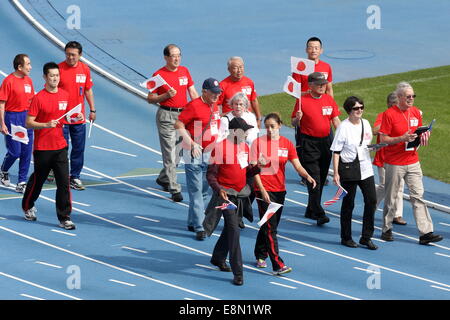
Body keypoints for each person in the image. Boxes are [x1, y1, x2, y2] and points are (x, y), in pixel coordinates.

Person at [251, 113, 316, 273]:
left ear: (280, 125)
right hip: (263, 190)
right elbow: (253, 170)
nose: (269, 129)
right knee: (270, 228)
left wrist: (307, 176)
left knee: (270, 226)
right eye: (267, 127)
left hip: (280, 190)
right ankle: (278, 264)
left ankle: (260, 254)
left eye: (272, 126)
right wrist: (262, 190)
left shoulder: (287, 144)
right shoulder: (257, 143)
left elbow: (297, 165)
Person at [379, 82, 443, 245]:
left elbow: (417, 131)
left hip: (413, 160)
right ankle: (386, 228)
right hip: (394, 162)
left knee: (418, 196)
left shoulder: (415, 112)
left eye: (413, 96)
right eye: (408, 96)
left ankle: (426, 232)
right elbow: (383, 139)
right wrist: (402, 138)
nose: (411, 99)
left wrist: (422, 135)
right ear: (399, 97)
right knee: (391, 197)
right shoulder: (389, 114)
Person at [22, 62, 80, 230]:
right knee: (38, 181)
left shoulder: (65, 95)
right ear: (45, 77)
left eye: (57, 75)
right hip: (42, 149)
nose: (55, 78)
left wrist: (74, 118)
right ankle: (27, 205)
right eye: (52, 76)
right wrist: (46, 124)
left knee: (64, 183)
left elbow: (66, 118)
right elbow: (28, 123)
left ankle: (65, 217)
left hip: (60, 146)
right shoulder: (38, 98)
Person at [203, 117, 261, 286]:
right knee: (234, 230)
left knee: (230, 228)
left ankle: (218, 258)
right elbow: (211, 175)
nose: (247, 133)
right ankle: (239, 273)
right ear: (235, 131)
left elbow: (247, 172)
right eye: (245, 130)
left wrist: (258, 166)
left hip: (239, 195)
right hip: (225, 196)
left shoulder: (244, 147)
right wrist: (218, 189)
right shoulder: (220, 148)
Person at [147, 44, 198, 202]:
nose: (177, 58)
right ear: (166, 57)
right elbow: (150, 98)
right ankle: (174, 188)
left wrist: (199, 108)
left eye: (179, 55)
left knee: (177, 155)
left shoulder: (185, 71)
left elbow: (192, 91)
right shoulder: (158, 75)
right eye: (173, 56)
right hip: (166, 116)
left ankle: (164, 178)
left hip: (183, 117)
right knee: (169, 153)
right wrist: (165, 96)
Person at [174, 78, 221, 240]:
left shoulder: (214, 106)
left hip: (210, 153)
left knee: (205, 190)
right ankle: (200, 226)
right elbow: (178, 125)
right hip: (193, 153)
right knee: (195, 190)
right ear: (204, 91)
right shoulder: (193, 106)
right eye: (213, 93)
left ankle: (192, 220)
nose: (216, 95)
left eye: (218, 93)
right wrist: (192, 143)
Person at [291, 72, 340, 225]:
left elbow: (335, 120)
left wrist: (343, 136)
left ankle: (310, 209)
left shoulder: (329, 99)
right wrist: (297, 119)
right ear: (310, 85)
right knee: (314, 179)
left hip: (326, 143)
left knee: (322, 176)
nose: (322, 86)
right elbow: (293, 123)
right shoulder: (301, 101)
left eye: (324, 83)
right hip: (309, 144)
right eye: (319, 84)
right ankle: (319, 213)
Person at [331, 96, 378, 250]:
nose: (359, 111)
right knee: (348, 203)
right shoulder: (343, 127)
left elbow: (367, 144)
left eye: (361, 107)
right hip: (349, 168)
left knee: (371, 200)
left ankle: (366, 236)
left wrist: (375, 148)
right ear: (349, 111)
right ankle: (346, 237)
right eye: (356, 108)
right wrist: (336, 173)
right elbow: (336, 151)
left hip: (365, 168)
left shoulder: (366, 123)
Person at [292, 37, 334, 186]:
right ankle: (305, 175)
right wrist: (308, 94)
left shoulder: (326, 67)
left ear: (321, 50)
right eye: (311, 47)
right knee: (303, 144)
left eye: (316, 48)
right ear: (306, 50)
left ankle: (321, 173)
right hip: (305, 108)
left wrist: (330, 106)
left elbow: (329, 88)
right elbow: (294, 90)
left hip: (323, 108)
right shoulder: (300, 67)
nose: (313, 50)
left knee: (327, 143)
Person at [57, 41, 96, 191]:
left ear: (80, 55)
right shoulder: (59, 69)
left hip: (78, 118)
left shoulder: (85, 69)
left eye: (73, 55)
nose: (70, 57)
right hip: (62, 117)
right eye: (67, 54)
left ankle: (75, 177)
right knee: (62, 148)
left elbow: (88, 90)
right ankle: (58, 173)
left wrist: (92, 110)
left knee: (79, 148)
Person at [0, 54, 35, 193]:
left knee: (26, 153)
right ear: (19, 67)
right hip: (12, 118)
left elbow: (32, 101)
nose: (30, 67)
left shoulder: (29, 81)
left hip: (26, 118)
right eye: (28, 64)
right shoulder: (8, 81)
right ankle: (3, 170)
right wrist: (2, 123)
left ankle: (22, 181)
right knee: (15, 152)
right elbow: (1, 104)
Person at [373, 92, 406, 225]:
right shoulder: (384, 115)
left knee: (400, 185)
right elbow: (375, 130)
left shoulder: (403, 115)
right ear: (390, 105)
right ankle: (371, 205)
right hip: (384, 156)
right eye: (397, 104)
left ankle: (397, 215)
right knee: (384, 185)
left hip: (399, 156)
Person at [217, 57, 262, 127]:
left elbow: (253, 100)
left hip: (247, 122)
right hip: (231, 123)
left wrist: (259, 118)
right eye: (235, 68)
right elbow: (217, 105)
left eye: (241, 67)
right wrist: (220, 118)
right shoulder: (222, 85)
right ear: (229, 70)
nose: (239, 70)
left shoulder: (249, 82)